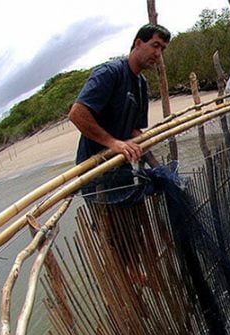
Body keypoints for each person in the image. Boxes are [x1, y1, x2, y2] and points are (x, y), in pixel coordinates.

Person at [69, 23, 171, 202]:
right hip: (96, 171)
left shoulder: (141, 84)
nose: (158, 54)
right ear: (138, 43)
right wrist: (112, 143)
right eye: (155, 46)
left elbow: (134, 131)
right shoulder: (110, 73)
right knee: (109, 226)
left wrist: (156, 166)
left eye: (162, 49)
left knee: (134, 221)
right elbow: (77, 114)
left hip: (122, 168)